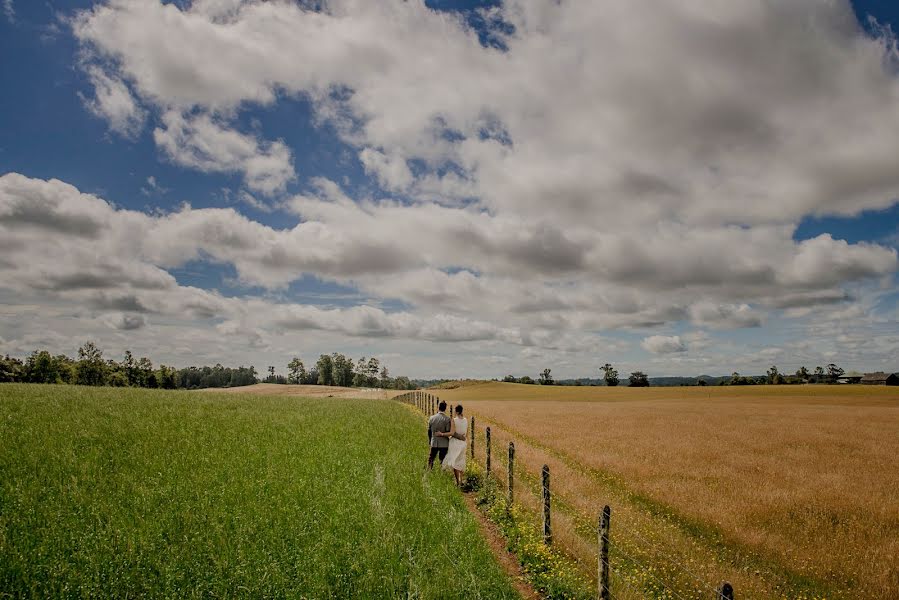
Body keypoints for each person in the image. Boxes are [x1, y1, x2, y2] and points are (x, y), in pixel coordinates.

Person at [435, 404, 468, 487]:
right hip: (463, 443)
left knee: (454, 462)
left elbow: (452, 433)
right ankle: (461, 480)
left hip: (455, 443)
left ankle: (458, 482)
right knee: (461, 461)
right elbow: (465, 433)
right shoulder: (466, 420)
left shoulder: (454, 420)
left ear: (456, 411)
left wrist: (441, 434)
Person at [427, 401, 452, 469]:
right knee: (442, 461)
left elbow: (429, 431)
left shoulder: (432, 418)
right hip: (444, 444)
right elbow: (448, 431)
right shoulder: (447, 419)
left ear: (438, 408)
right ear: (445, 408)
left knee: (431, 459)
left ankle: (428, 472)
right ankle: (442, 474)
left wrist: (430, 440)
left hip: (434, 442)